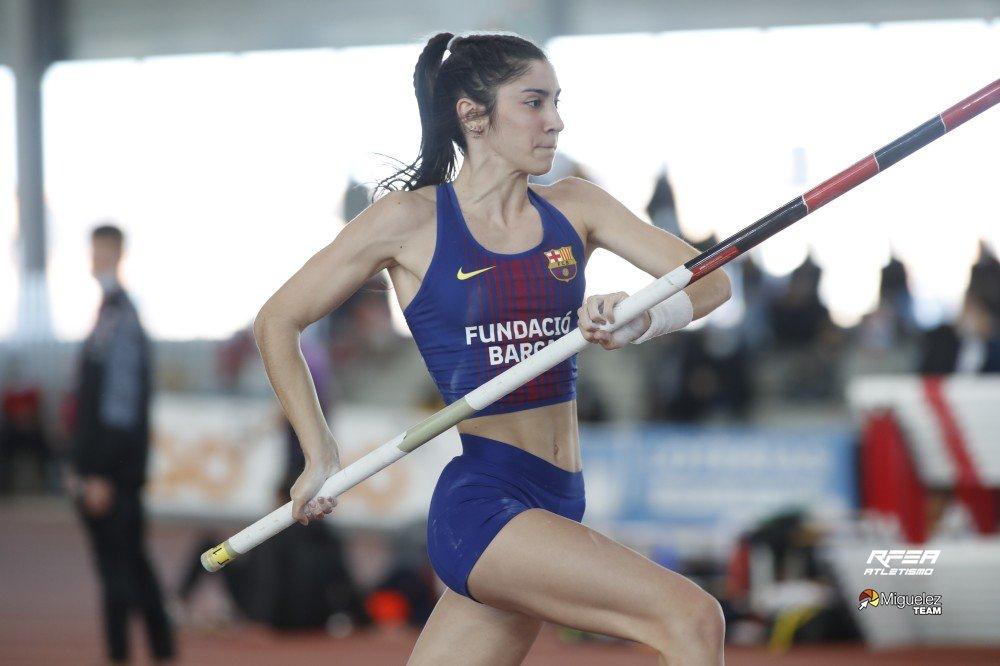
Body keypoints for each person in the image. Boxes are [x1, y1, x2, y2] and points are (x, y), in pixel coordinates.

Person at [254, 32, 730, 664]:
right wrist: (319, 453)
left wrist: (638, 320)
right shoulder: (409, 221)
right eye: (534, 102)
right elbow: (277, 321)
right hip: (485, 505)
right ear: (473, 116)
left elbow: (712, 280)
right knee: (693, 618)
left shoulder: (576, 207)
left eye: (557, 101)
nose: (556, 120)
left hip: (558, 495)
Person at [69, 224, 175, 664]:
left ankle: (132, 655)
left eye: (103, 253)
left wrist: (100, 474)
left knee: (120, 575)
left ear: (118, 255)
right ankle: (164, 651)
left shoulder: (121, 321)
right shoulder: (107, 316)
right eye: (94, 253)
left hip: (112, 478)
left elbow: (120, 409)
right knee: (132, 568)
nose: (96, 262)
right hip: (106, 473)